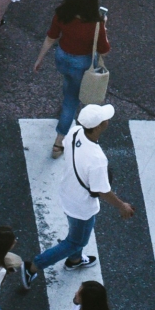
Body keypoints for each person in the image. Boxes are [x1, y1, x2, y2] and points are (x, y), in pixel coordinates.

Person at [31, 104, 132, 277]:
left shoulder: (75, 131)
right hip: (82, 206)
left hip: (68, 191)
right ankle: (33, 266)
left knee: (77, 234)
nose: (107, 120)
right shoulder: (97, 159)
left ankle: (75, 260)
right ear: (99, 126)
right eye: (104, 119)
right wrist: (122, 206)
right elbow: (103, 191)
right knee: (76, 241)